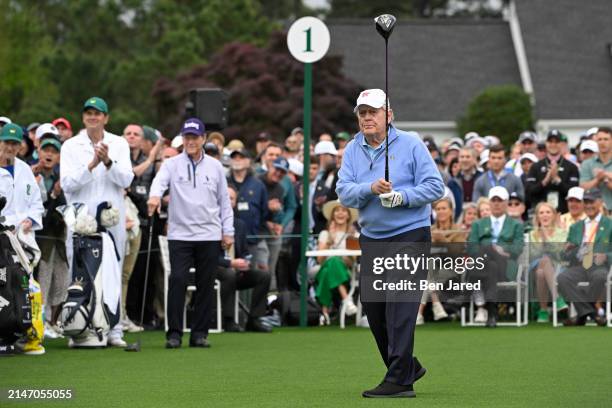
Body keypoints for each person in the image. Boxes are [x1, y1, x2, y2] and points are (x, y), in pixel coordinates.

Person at [337, 88, 444, 398]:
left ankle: (399, 380)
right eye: (363, 113)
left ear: (389, 115)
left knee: (400, 307)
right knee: (375, 308)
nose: (368, 118)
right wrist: (370, 188)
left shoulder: (411, 144)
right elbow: (344, 192)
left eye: (374, 112)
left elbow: (435, 186)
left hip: (410, 233)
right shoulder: (352, 149)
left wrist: (404, 197)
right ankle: (406, 366)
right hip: (372, 237)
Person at [148, 118, 234, 348]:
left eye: (195, 137)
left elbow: (224, 202)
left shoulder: (215, 166)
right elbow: (159, 182)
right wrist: (154, 197)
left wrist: (228, 231)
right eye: (187, 137)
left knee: (206, 284)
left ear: (203, 139)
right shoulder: (172, 164)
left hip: (209, 234)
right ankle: (174, 333)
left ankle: (199, 334)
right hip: (180, 234)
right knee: (178, 280)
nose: (191, 141)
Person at [60, 97, 134, 347]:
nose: (93, 117)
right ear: (83, 117)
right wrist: (92, 164)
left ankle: (114, 330)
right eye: (89, 113)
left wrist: (108, 162)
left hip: (111, 221)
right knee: (78, 274)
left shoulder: (119, 143)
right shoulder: (70, 146)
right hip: (79, 219)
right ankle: (78, 328)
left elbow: (126, 180)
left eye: (98, 114)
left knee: (113, 273)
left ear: (106, 118)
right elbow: (67, 184)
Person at [216, 185, 272, 333]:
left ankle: (254, 319)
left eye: (232, 198)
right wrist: (230, 263)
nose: (228, 201)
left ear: (235, 202)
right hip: (214, 270)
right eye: (225, 197)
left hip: (236, 270)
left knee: (264, 276)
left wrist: (245, 262)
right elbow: (206, 256)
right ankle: (228, 320)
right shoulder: (210, 224)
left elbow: (245, 251)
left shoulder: (239, 225)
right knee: (228, 273)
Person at [467, 186, 524, 327]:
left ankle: (470, 281)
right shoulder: (478, 224)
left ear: (506, 203)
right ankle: (492, 314)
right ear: (489, 203)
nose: (497, 203)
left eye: (500, 200)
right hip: (488, 267)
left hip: (506, 266)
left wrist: (502, 249)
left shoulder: (516, 225)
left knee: (488, 251)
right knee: (491, 265)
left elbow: (518, 248)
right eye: (494, 200)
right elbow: (471, 247)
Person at [32, 136, 68, 338]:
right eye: (46, 150)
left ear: (58, 156)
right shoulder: (31, 175)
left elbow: (61, 212)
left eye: (53, 152)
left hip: (60, 239)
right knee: (43, 280)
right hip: (40, 240)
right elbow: (42, 214)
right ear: (39, 152)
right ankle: (41, 322)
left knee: (62, 280)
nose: (49, 154)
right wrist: (54, 197)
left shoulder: (61, 177)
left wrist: (57, 196)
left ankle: (55, 322)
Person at [559, 189, 610, 326]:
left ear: (599, 202)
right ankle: (592, 313)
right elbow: (564, 255)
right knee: (562, 278)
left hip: (598, 266)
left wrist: (606, 256)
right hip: (579, 265)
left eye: (591, 202)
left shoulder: (609, 225)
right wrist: (567, 250)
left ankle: (582, 315)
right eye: (586, 202)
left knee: (599, 277)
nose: (588, 206)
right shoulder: (576, 227)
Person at [417, 197, 466, 324]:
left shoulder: (458, 231)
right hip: (430, 271)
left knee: (426, 273)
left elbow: (457, 255)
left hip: (451, 271)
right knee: (429, 266)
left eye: (444, 208)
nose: (440, 211)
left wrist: (443, 240)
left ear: (451, 211)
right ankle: (436, 304)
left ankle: (419, 312)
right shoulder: (430, 230)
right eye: (438, 209)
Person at [314, 200, 359, 325]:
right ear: (332, 215)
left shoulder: (354, 235)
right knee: (330, 264)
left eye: (344, 210)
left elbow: (354, 260)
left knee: (331, 267)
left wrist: (342, 257)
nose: (340, 213)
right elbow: (320, 259)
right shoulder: (325, 234)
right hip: (325, 267)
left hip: (346, 271)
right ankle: (347, 300)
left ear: (348, 215)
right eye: (337, 211)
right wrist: (330, 240)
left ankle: (324, 312)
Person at [0, 124, 44, 233]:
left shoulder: (25, 169)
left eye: (14, 143)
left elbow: (36, 202)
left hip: (23, 235)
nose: (10, 148)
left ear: (20, 146)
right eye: (6, 142)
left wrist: (31, 220)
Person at [529, 202, 568, 323]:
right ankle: (557, 299)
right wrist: (542, 234)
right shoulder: (532, 234)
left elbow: (559, 252)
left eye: (548, 212)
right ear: (537, 217)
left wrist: (545, 235)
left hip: (558, 266)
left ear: (554, 215)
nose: (545, 215)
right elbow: (534, 254)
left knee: (541, 273)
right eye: (541, 213)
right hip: (535, 265)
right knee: (543, 260)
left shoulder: (562, 231)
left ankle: (543, 310)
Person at [525, 129, 579, 214]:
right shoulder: (536, 166)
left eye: (556, 142)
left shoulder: (571, 167)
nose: (553, 145)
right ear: (546, 143)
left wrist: (558, 180)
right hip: (541, 214)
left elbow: (574, 192)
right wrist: (545, 181)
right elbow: (529, 192)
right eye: (550, 142)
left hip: (564, 213)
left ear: (562, 144)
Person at [580, 127, 612, 213]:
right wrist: (597, 179)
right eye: (600, 139)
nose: (602, 142)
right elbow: (583, 188)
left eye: (606, 139)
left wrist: (606, 175)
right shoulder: (587, 164)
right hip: (594, 213)